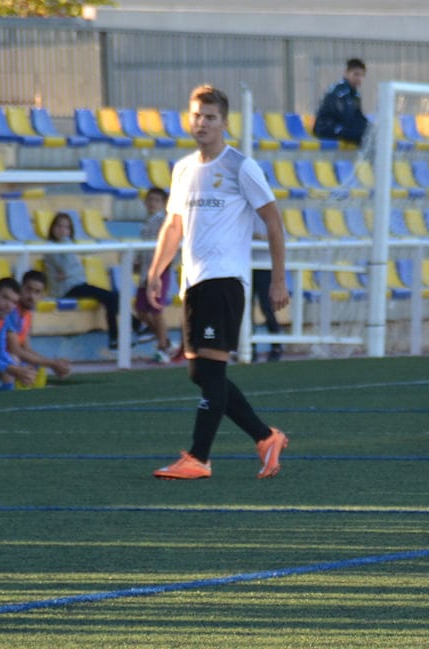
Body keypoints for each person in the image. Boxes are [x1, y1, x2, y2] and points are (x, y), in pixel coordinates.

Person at [148, 84, 290, 481]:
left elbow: (273, 222)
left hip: (224, 282)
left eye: (210, 117)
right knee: (200, 374)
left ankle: (199, 457)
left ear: (225, 123)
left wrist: (278, 280)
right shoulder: (183, 169)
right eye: (197, 115)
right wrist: (156, 271)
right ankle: (265, 438)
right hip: (194, 284)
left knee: (209, 374)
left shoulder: (241, 166)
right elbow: (173, 226)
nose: (202, 123)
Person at [43, 211, 140, 351]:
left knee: (112, 297)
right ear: (52, 228)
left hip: (76, 284)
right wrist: (72, 270)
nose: (62, 230)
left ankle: (118, 335)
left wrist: (71, 272)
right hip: (65, 289)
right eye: (59, 226)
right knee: (112, 296)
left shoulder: (67, 245)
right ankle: (131, 327)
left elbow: (74, 271)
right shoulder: (51, 246)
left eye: (66, 227)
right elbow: (65, 266)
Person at [135, 187, 180, 364]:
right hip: (146, 272)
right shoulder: (146, 223)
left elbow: (173, 242)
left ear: (163, 204)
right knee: (141, 310)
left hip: (159, 272)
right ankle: (167, 343)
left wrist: (164, 265)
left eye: (156, 200)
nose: (152, 203)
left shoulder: (164, 220)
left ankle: (162, 348)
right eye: (150, 199)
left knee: (155, 310)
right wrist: (137, 262)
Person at [6, 270, 72, 387]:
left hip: (8, 357)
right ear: (20, 288)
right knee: (14, 360)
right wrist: (52, 364)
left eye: (37, 292)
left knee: (39, 369)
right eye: (28, 289)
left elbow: (26, 348)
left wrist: (53, 363)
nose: (32, 296)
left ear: (42, 296)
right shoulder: (11, 311)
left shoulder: (26, 315)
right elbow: (15, 350)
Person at [0, 277, 37, 391]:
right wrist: (13, 369)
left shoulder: (2, 316)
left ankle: (5, 404)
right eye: (5, 298)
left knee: (11, 364)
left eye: (14, 302)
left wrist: (19, 369)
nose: (9, 306)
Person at [312, 58, 369, 146]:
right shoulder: (339, 92)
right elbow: (346, 116)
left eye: (361, 76)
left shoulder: (354, 94)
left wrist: (368, 126)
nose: (359, 79)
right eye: (356, 74)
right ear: (346, 73)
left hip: (341, 125)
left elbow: (358, 116)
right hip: (327, 127)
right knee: (360, 134)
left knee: (371, 132)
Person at [251, 216, 283, 362]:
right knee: (245, 308)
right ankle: (249, 347)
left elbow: (281, 238)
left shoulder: (270, 212)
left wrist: (261, 238)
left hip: (264, 266)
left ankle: (276, 345)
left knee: (267, 306)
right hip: (244, 265)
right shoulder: (241, 211)